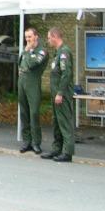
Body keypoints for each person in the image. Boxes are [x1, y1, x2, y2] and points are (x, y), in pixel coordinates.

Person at [42, 27, 75, 162]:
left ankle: (67, 152)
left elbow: (66, 74)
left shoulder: (64, 52)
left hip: (62, 94)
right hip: (56, 94)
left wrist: (60, 93)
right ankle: (57, 148)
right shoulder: (58, 53)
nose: (48, 40)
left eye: (49, 38)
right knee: (56, 122)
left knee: (64, 122)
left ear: (55, 37)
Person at [17, 27, 49, 154]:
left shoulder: (41, 51)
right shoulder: (26, 50)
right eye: (26, 37)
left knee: (34, 112)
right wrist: (26, 52)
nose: (28, 40)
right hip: (22, 81)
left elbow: (32, 64)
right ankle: (27, 141)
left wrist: (29, 51)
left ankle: (36, 142)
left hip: (33, 82)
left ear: (36, 36)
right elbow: (20, 63)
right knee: (24, 112)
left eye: (30, 37)